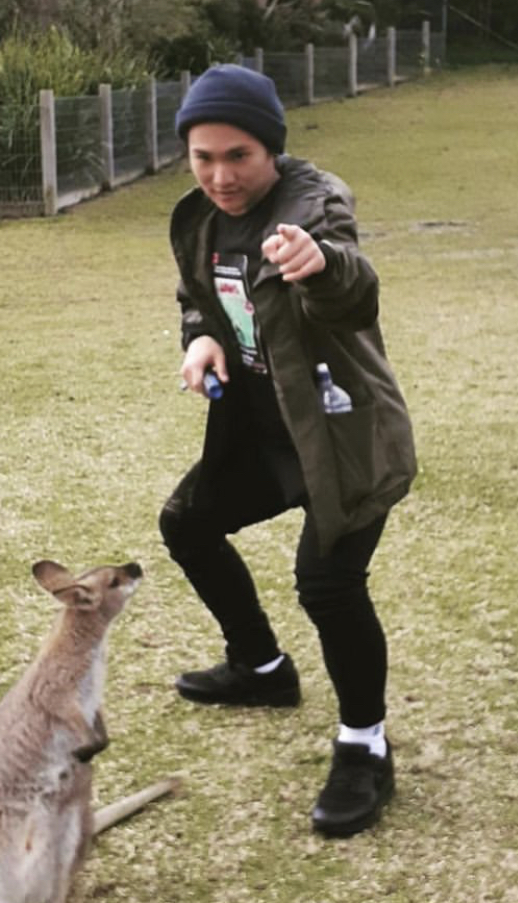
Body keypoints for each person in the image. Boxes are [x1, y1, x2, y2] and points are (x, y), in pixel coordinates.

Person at [159, 64, 417, 838]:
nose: (220, 176)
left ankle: (364, 745)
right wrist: (200, 339)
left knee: (327, 584)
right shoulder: (201, 220)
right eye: (203, 157)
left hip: (342, 436)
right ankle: (261, 667)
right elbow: (199, 298)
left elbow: (352, 289)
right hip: (264, 434)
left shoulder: (311, 208)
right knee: (187, 523)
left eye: (237, 155)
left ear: (270, 146)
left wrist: (321, 264)